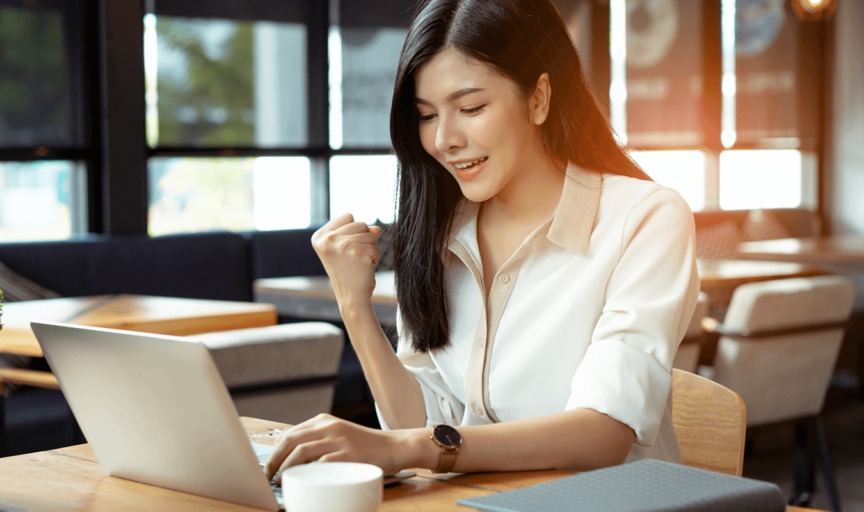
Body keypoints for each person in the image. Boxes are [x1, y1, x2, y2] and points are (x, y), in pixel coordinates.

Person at [264, 0, 699, 480]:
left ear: (538, 99)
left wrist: (414, 447)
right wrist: (355, 308)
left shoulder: (645, 217)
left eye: (470, 108)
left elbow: (603, 433)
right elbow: (419, 425)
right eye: (426, 115)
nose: (444, 139)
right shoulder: (439, 229)